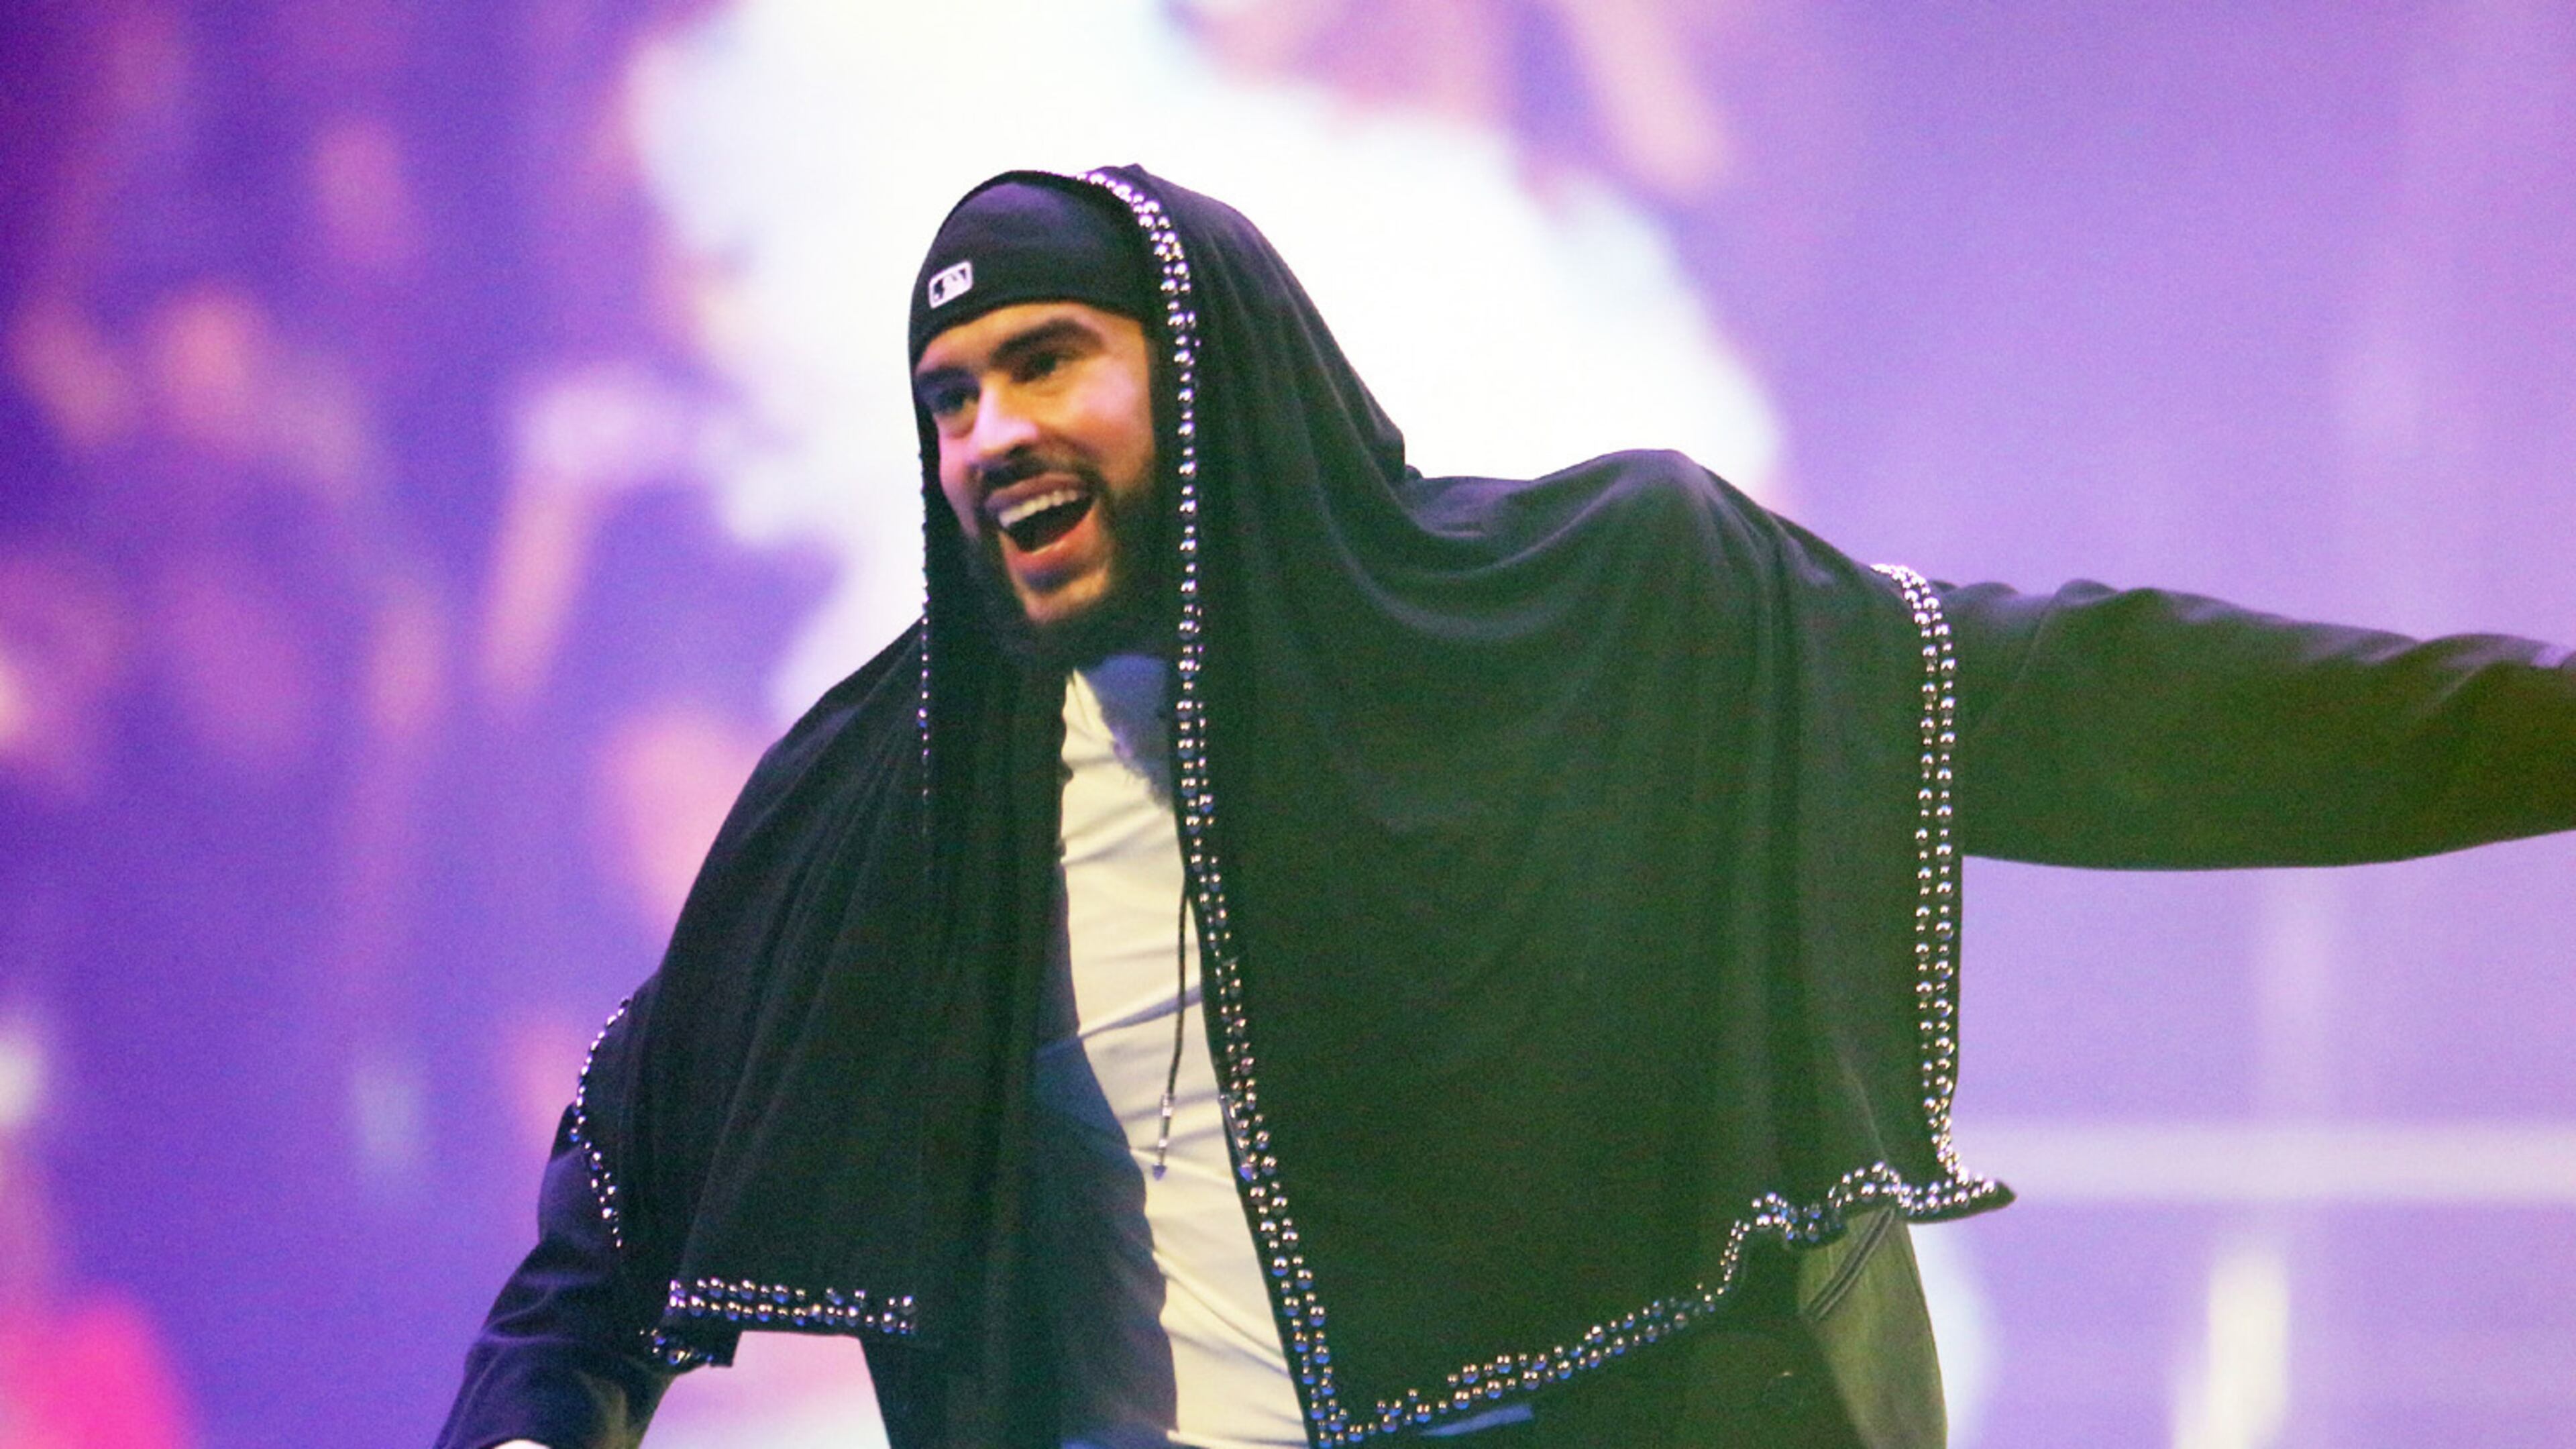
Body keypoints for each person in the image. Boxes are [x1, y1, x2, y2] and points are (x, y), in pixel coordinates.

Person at [435, 166, 2576, 1449]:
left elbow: (2085, 704)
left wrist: (2540, 733)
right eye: (949, 396)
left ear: (1210, 366)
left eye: (1048, 360)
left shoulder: (1594, 609)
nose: (990, 431)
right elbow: (618, 1206)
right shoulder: (888, 802)